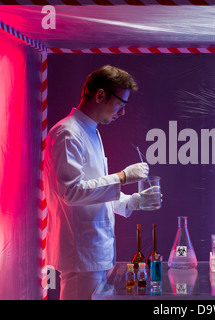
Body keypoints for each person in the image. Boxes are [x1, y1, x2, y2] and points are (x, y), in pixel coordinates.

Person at [44, 65, 151, 300]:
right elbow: (71, 192)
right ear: (100, 95)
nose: (122, 113)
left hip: (93, 255)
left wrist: (132, 201)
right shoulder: (68, 133)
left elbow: (93, 191)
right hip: (81, 256)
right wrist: (122, 177)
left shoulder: (90, 131)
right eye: (120, 105)